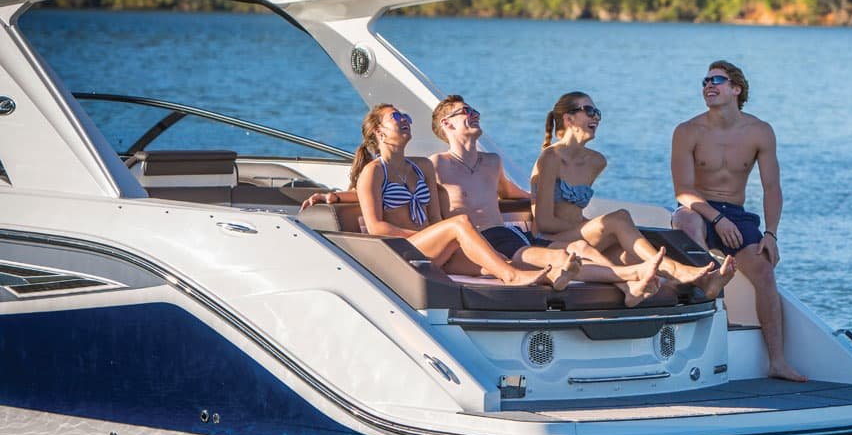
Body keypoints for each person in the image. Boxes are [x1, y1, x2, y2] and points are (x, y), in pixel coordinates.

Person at [302, 104, 579, 289]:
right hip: (402, 250)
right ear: (379, 132)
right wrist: (334, 198)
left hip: (433, 248)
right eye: (396, 118)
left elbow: (435, 217)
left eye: (406, 117)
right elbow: (376, 227)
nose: (405, 120)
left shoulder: (421, 166)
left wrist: (440, 237)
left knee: (492, 261)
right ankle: (511, 276)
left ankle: (551, 276)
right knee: (459, 224)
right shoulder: (374, 172)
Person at [428, 95, 665, 306]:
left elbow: (511, 192)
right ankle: (632, 273)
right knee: (559, 258)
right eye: (466, 112)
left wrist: (544, 197)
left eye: (475, 111)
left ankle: (628, 287)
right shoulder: (437, 165)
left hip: (509, 234)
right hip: (481, 241)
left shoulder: (492, 161)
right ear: (447, 123)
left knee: (580, 247)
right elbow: (434, 219)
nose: (475, 115)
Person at [670, 61, 806, 382]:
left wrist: (771, 234)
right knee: (686, 220)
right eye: (705, 81)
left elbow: (772, 188)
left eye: (717, 80)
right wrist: (716, 218)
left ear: (736, 89)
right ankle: (712, 295)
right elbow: (683, 191)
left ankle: (777, 362)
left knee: (764, 270)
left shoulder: (759, 131)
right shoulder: (687, 131)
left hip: (737, 213)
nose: (708, 85)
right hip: (699, 209)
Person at [531, 91, 735, 300]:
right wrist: (600, 228)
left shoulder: (595, 162)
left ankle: (704, 282)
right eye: (589, 111)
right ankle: (676, 270)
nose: (596, 118)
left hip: (578, 235)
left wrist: (599, 229)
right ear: (569, 119)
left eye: (598, 113)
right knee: (619, 218)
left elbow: (573, 212)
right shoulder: (551, 158)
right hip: (550, 241)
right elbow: (544, 223)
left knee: (631, 256)